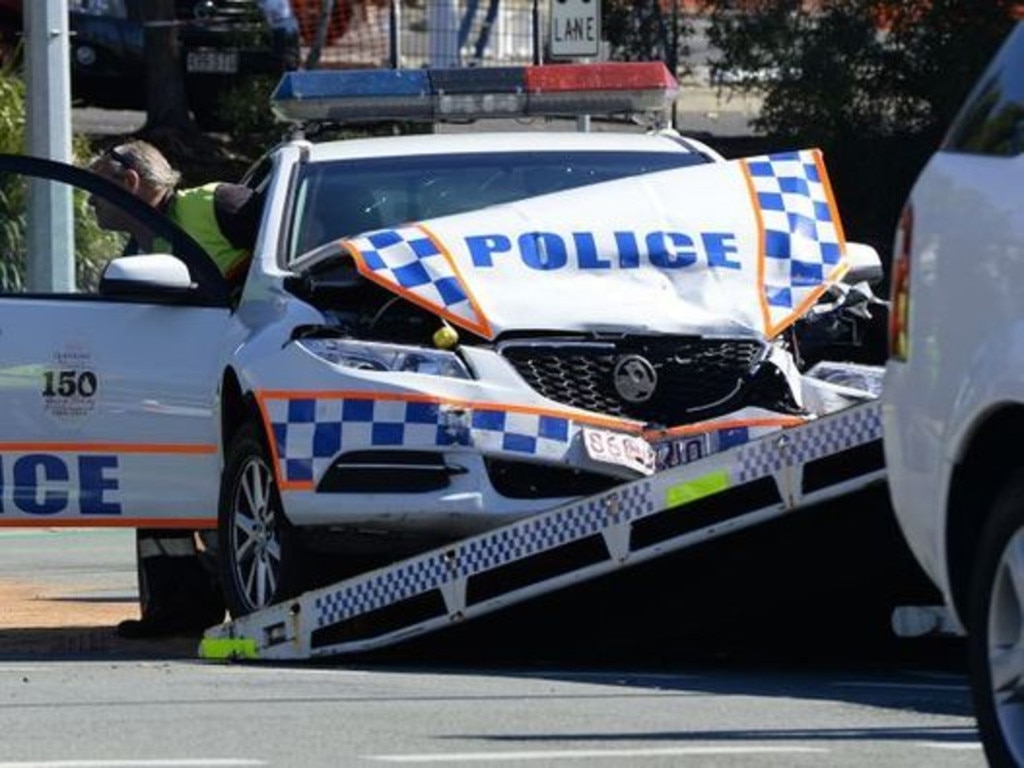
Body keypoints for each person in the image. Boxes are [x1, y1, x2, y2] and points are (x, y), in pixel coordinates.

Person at [88, 139, 261, 639]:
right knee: (158, 490)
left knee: (234, 495)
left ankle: (247, 598)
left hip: (248, 383)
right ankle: (179, 607)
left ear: (129, 184)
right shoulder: (142, 248)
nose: (90, 203)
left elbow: (291, 255)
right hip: (184, 391)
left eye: (96, 190)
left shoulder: (219, 204)